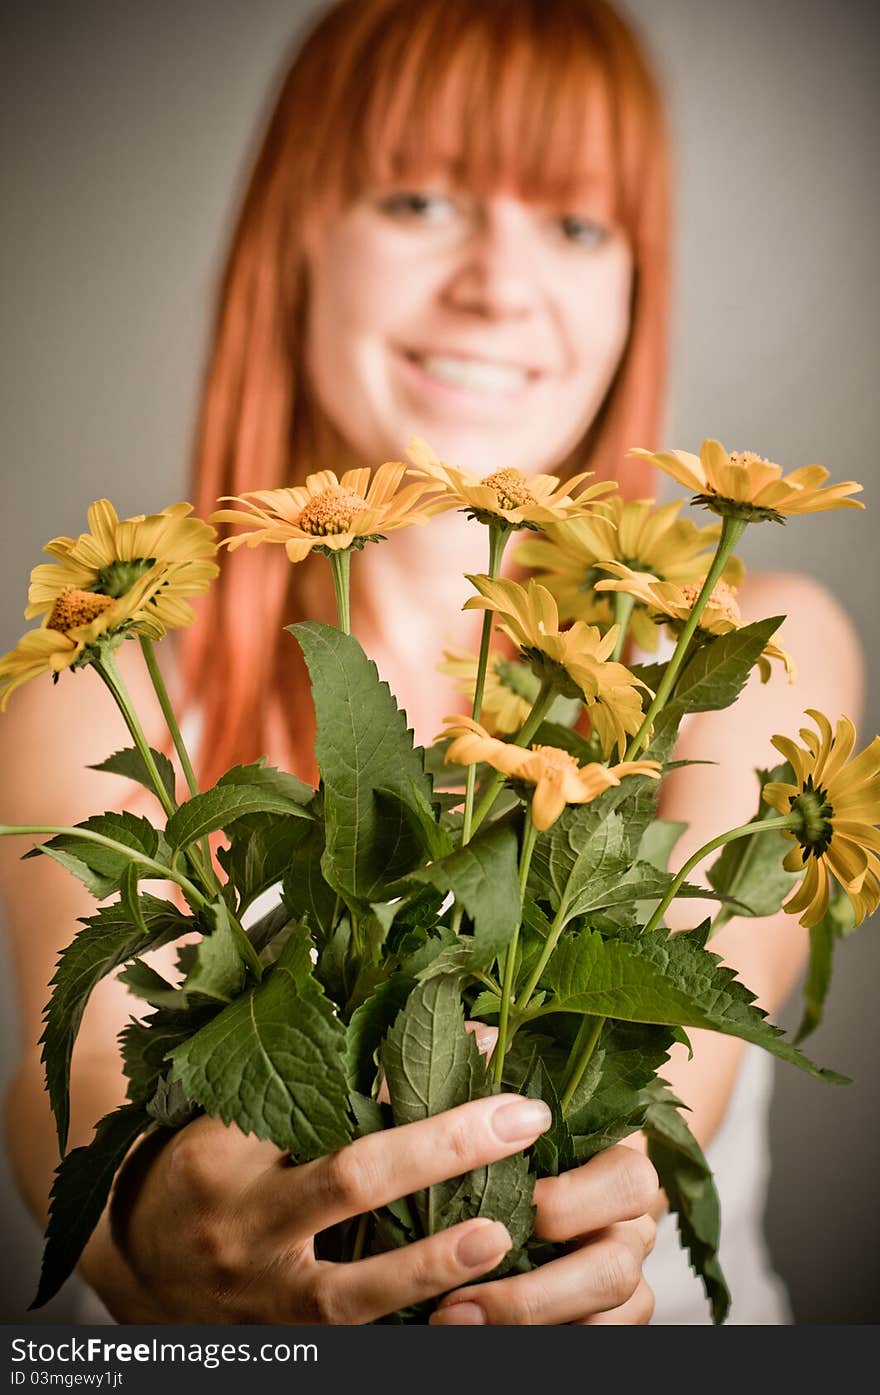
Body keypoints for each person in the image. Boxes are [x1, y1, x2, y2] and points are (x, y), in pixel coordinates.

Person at [0, 0, 862, 1325]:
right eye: (420, 200)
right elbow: (76, 1086)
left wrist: (587, 1227)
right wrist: (153, 1234)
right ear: (299, 235)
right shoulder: (103, 687)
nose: (500, 286)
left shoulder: (753, 654)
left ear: (640, 279)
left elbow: (665, 1068)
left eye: (575, 222)